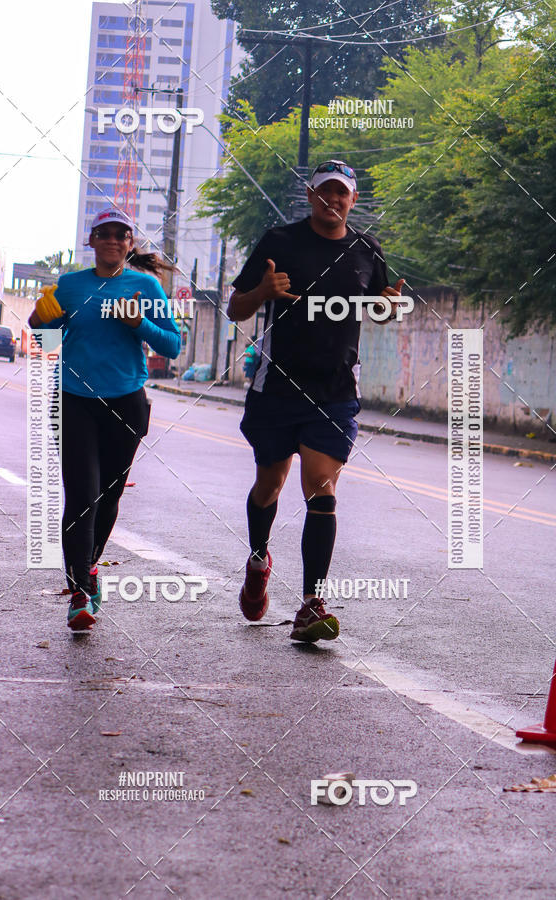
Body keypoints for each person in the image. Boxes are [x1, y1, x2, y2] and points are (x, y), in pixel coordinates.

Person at [228, 160, 405, 642]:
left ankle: (311, 603)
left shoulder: (366, 250)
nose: (334, 199)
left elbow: (381, 307)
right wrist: (262, 291)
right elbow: (236, 307)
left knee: (321, 489)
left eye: (342, 192)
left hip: (335, 391)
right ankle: (258, 560)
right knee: (270, 483)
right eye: (326, 190)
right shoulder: (279, 242)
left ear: (353, 199)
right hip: (278, 387)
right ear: (310, 195)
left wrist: (389, 308)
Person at [28, 207, 181, 631]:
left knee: (108, 498)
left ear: (130, 244)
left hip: (126, 403)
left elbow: (172, 345)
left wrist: (139, 323)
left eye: (120, 234)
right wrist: (38, 319)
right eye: (104, 233)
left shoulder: (145, 286)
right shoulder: (70, 285)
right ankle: (80, 591)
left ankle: (89, 566)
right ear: (91, 240)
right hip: (74, 400)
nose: (112, 240)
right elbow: (44, 340)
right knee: (82, 495)